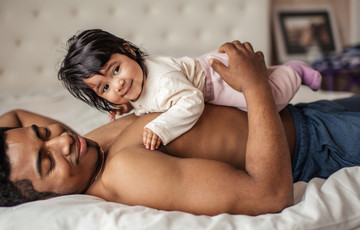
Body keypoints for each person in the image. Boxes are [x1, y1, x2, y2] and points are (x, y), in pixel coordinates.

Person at [1, 41, 359, 216]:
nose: (62, 139)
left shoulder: (83, 150)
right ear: (40, 198)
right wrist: (255, 87)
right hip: (317, 144)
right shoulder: (126, 173)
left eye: (44, 133)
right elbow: (269, 196)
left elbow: (15, 116)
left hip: (304, 114)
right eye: (46, 162)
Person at [58, 29, 321, 150]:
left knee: (269, 100)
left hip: (215, 82)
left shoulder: (162, 82)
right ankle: (276, 72)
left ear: (128, 51)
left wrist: (160, 127)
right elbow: (143, 97)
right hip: (200, 70)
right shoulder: (136, 80)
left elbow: (191, 102)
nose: (118, 84)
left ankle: (293, 71)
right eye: (105, 87)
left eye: (116, 70)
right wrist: (127, 105)